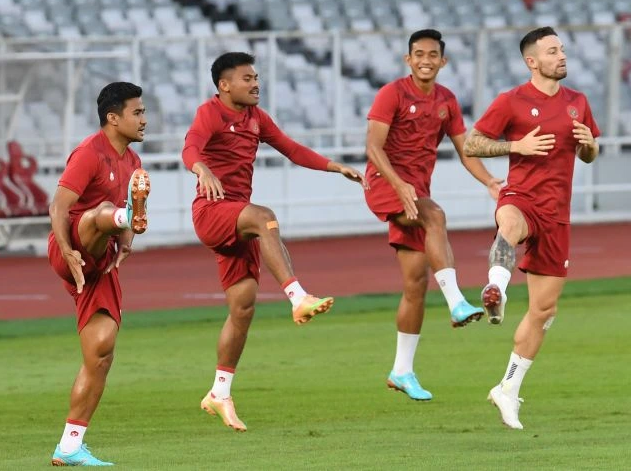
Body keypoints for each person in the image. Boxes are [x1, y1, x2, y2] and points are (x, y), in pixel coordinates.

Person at [182, 52, 363, 432]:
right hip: (213, 212)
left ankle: (219, 393)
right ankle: (298, 297)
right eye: (247, 78)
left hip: (238, 219)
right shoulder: (210, 113)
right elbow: (191, 147)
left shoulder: (256, 119)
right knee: (265, 217)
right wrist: (201, 169)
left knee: (243, 308)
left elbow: (291, 148)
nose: (256, 83)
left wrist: (335, 167)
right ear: (225, 85)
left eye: (256, 77)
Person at [464, 26, 600, 429]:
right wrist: (515, 146)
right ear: (532, 61)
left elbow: (589, 155)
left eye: (562, 49)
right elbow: (472, 143)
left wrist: (590, 143)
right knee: (508, 224)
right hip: (522, 200)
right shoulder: (512, 101)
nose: (561, 56)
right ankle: (497, 290)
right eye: (552, 51)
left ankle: (507, 389)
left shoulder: (578, 102)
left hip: (558, 215)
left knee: (544, 310)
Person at [364, 29, 503, 401]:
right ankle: (457, 301)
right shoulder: (392, 93)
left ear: (443, 61)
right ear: (408, 60)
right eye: (418, 54)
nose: (425, 60)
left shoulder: (447, 100)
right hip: (384, 183)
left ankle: (401, 371)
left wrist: (490, 181)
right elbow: (372, 146)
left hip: (416, 192)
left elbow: (465, 149)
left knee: (415, 284)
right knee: (436, 216)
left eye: (433, 55)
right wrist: (398, 185)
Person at [47, 81, 150, 466]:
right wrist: (67, 249)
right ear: (113, 117)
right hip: (73, 244)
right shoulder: (89, 153)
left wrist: (125, 240)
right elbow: (59, 207)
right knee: (100, 211)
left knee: (101, 352)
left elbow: (122, 223)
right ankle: (123, 215)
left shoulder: (133, 164)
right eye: (137, 112)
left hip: (101, 259)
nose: (144, 119)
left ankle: (70, 445)